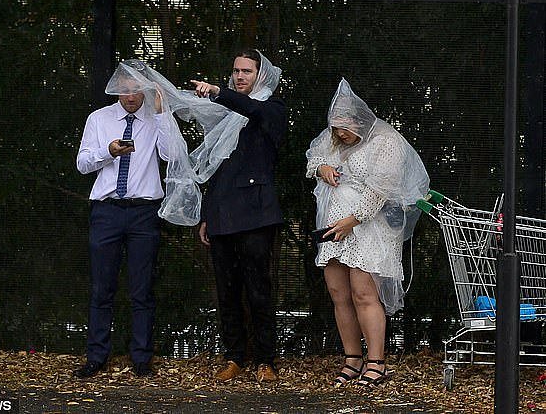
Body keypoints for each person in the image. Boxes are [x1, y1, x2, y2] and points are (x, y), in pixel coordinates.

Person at [305, 78, 429, 389]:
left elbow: (380, 188)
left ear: (360, 120)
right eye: (335, 127)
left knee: (364, 292)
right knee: (338, 292)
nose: (339, 133)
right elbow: (313, 157)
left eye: (344, 126)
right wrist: (321, 168)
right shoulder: (334, 140)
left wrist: (354, 219)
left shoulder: (386, 142)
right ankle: (352, 359)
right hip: (334, 224)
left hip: (369, 226)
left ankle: (377, 362)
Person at [189, 49, 287, 383]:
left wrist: (219, 92)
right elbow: (216, 170)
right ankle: (233, 358)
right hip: (221, 214)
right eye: (235, 71)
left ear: (261, 74)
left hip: (256, 215)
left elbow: (250, 109)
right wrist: (206, 215)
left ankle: (265, 360)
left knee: (258, 289)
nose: (240, 76)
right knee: (227, 290)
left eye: (247, 71)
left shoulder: (271, 108)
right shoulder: (222, 118)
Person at [73, 61, 171, 379]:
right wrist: (109, 151)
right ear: (116, 90)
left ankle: (141, 358)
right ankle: (96, 356)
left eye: (135, 90)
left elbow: (171, 155)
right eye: (124, 90)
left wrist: (161, 112)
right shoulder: (99, 119)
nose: (130, 96)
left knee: (141, 289)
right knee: (102, 288)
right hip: (107, 211)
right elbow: (83, 164)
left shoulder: (154, 120)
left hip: (144, 212)